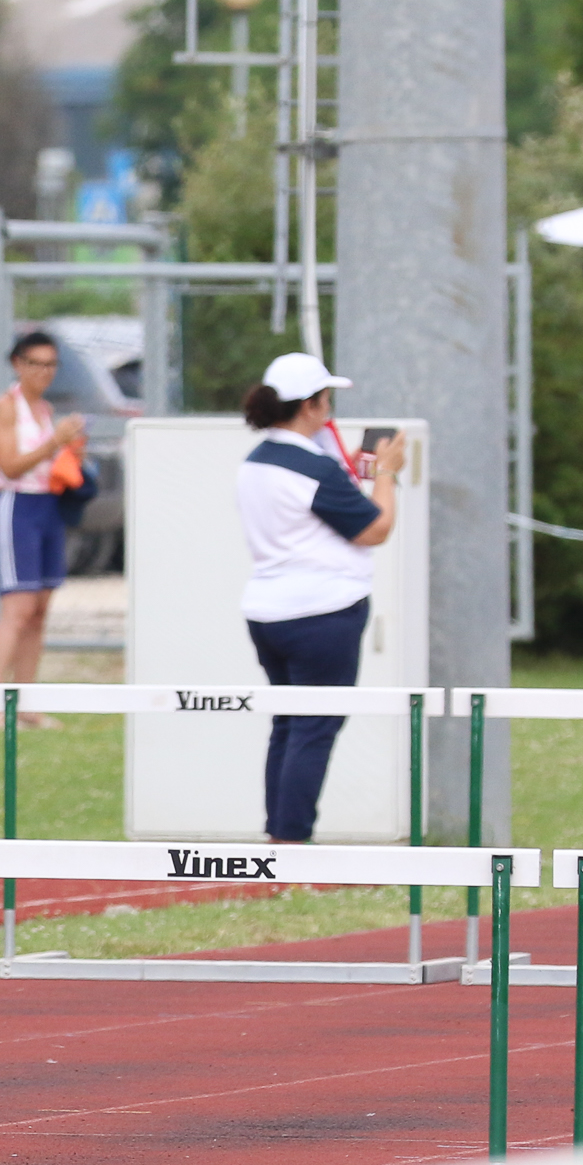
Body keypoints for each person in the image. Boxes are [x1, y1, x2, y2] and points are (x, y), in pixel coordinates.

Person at [238, 353, 406, 843]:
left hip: (268, 610)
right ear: (310, 405)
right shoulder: (313, 467)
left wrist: (348, 472)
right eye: (326, 398)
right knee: (314, 728)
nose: (329, 408)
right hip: (321, 612)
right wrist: (385, 473)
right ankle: (291, 843)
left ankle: (279, 839)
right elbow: (375, 528)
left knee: (289, 724)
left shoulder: (257, 460)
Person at [0, 329, 87, 728]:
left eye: (51, 365)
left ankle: (27, 703)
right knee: (17, 609)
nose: (44, 372)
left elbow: (46, 460)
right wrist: (54, 443)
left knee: (39, 610)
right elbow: (9, 465)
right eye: (36, 364)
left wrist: (70, 452)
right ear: (17, 364)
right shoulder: (7, 407)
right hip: (18, 507)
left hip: (47, 505)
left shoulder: (44, 408)